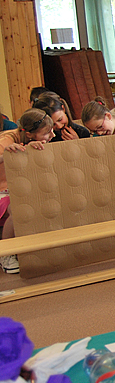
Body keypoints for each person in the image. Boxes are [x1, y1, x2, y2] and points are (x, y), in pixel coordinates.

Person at [0, 109, 55, 274]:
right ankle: (6, 254)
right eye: (47, 132)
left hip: (18, 188)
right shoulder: (6, 140)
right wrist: (7, 154)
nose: (52, 135)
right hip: (4, 192)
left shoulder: (30, 140)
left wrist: (29, 150)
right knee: (17, 207)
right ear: (30, 134)